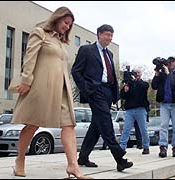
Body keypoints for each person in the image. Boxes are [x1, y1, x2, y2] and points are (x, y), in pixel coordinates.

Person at [11, 7, 90, 179]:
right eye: (65, 23)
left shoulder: (62, 43)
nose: (67, 27)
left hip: (61, 89)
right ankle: (20, 159)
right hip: (41, 86)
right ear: (57, 19)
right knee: (33, 124)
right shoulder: (40, 33)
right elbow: (30, 57)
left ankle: (73, 166)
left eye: (70, 25)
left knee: (69, 124)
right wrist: (25, 80)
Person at [71, 24, 133, 172]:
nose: (109, 38)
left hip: (108, 91)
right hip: (94, 90)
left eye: (111, 35)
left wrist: (114, 94)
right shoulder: (86, 50)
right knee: (105, 122)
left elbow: (110, 74)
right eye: (106, 34)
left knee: (97, 126)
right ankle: (120, 158)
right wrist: (86, 89)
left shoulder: (109, 53)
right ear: (98, 34)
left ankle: (83, 157)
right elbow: (76, 71)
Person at [151, 56, 175, 158]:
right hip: (164, 103)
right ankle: (163, 146)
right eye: (169, 61)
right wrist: (157, 74)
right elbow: (154, 86)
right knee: (163, 125)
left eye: (173, 61)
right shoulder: (162, 74)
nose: (170, 63)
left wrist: (168, 74)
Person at [119, 68, 150, 154]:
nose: (137, 74)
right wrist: (125, 87)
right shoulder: (129, 84)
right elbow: (122, 96)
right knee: (126, 129)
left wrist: (135, 81)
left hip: (141, 108)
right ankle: (122, 147)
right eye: (135, 73)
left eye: (139, 73)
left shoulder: (144, 83)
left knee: (143, 129)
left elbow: (144, 88)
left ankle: (146, 147)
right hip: (130, 110)